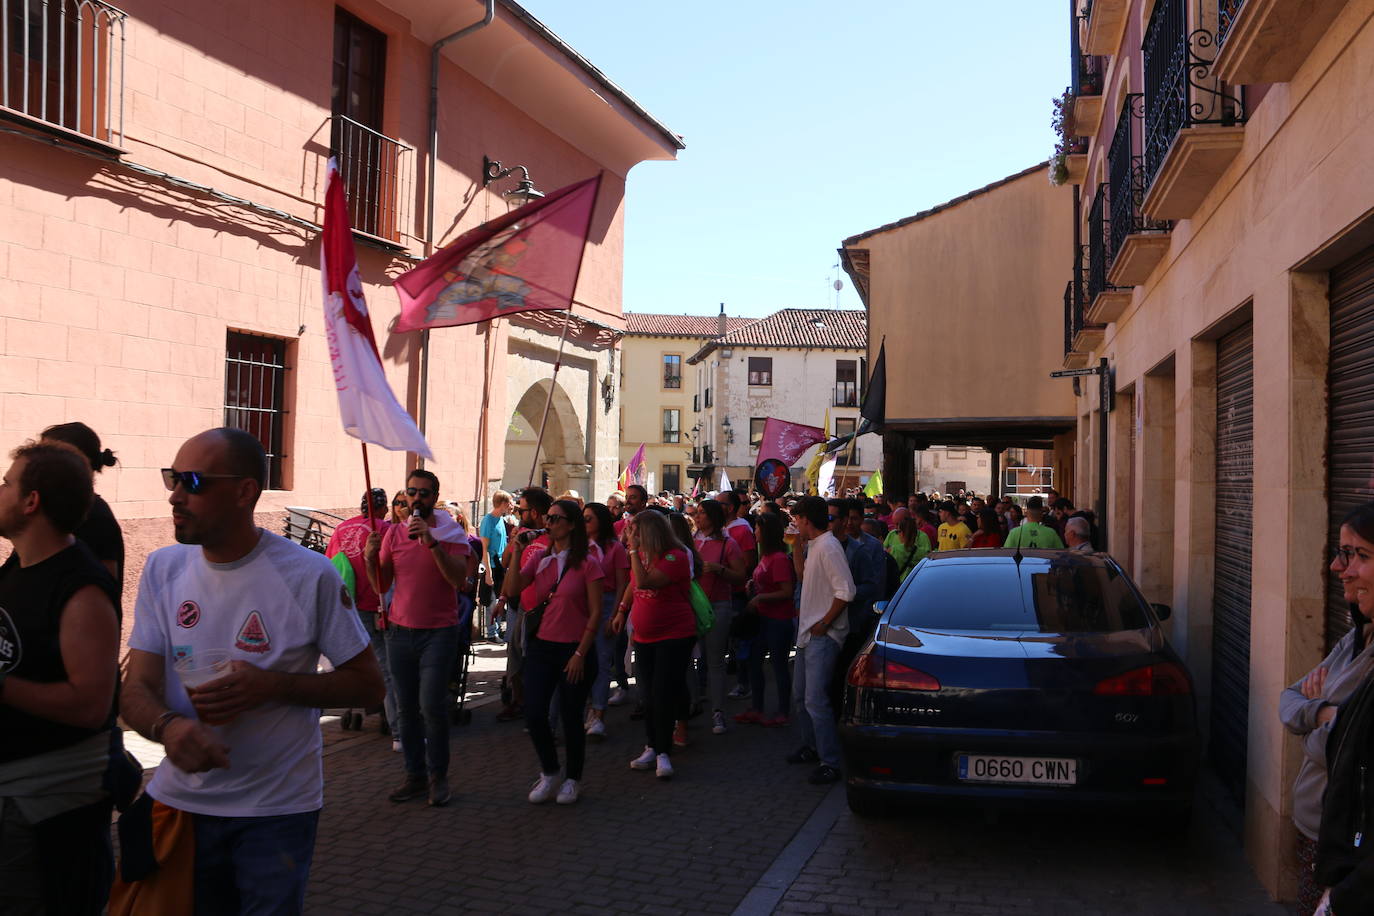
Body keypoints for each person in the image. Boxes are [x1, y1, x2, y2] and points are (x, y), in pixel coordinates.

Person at [117, 429, 382, 914]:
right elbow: (136, 688)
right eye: (171, 479)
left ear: (244, 492)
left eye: (192, 481)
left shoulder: (308, 575)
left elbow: (369, 685)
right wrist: (167, 727)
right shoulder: (163, 569)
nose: (175, 495)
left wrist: (270, 685)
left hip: (276, 813)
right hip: (181, 806)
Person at [0, 441, 121, 914]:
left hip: (45, 812)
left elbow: (90, 704)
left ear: (31, 501)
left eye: (8, 482)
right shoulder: (17, 568)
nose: (1, 488)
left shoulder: (81, 587)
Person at [1282, 504, 1374, 915]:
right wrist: (1326, 713)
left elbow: (1339, 751)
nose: (1341, 567)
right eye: (1343, 552)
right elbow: (1288, 700)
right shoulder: (1357, 638)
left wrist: (1324, 728)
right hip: (1318, 834)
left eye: (1360, 555)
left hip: (1350, 856)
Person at [364, 469, 470, 807]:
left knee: (431, 707)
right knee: (406, 709)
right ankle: (415, 776)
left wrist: (433, 543)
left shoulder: (452, 534)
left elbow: (458, 580)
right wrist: (369, 558)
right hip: (399, 631)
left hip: (439, 632)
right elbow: (381, 584)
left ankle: (440, 777)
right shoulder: (394, 533)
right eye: (412, 492)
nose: (416, 499)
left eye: (424, 493)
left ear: (434, 498)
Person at [509, 499, 603, 805]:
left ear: (571, 525)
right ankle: (550, 771)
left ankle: (573, 778)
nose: (549, 522)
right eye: (547, 517)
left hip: (575, 648)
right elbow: (512, 589)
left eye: (556, 518)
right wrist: (516, 552)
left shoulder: (588, 561)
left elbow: (596, 611)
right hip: (543, 645)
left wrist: (580, 653)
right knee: (535, 713)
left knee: (570, 715)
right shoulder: (541, 559)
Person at [611, 510, 695, 780]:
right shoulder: (643, 557)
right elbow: (634, 585)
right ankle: (652, 745)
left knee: (662, 693)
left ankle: (662, 751)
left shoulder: (676, 557)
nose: (630, 535)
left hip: (674, 635)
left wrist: (633, 552)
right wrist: (623, 610)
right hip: (645, 637)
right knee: (646, 694)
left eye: (635, 530)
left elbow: (646, 581)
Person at [785, 495, 855, 785]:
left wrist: (825, 624)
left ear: (805, 519)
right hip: (809, 635)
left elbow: (846, 591)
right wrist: (796, 548)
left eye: (795, 519)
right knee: (801, 697)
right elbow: (802, 576)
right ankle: (811, 747)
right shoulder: (814, 545)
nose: (793, 524)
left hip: (822, 637)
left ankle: (830, 761)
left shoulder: (828, 547)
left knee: (815, 700)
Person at [326, 488, 396, 736]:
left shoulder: (342, 528)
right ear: (382, 507)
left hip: (347, 604)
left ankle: (357, 708)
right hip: (373, 603)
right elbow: (392, 566)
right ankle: (393, 720)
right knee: (385, 664)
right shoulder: (384, 529)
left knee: (352, 660)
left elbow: (330, 560)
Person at [492, 488, 554, 722]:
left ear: (535, 512)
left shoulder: (552, 537)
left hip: (545, 611)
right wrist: (503, 598)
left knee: (536, 663)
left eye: (522, 509)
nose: (518, 512)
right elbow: (508, 564)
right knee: (515, 659)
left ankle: (540, 708)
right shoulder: (525, 535)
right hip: (522, 608)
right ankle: (519, 702)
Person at [40, 422, 124, 588]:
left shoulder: (95, 517)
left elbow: (103, 589)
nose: (36, 463)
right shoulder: (58, 508)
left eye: (46, 456)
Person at [735, 511, 796, 727]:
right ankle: (757, 708)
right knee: (754, 662)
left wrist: (761, 596)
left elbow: (786, 591)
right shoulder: (766, 556)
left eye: (758, 530)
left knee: (779, 666)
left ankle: (783, 711)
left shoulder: (778, 559)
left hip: (778, 620)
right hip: (763, 618)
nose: (754, 533)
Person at [692, 499, 747, 735]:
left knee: (715, 661)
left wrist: (718, 569)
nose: (697, 516)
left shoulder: (728, 543)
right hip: (692, 605)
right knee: (689, 659)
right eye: (697, 513)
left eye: (702, 513)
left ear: (713, 517)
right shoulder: (691, 541)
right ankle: (692, 703)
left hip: (718, 605)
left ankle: (718, 711)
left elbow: (740, 577)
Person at [584, 502, 630, 739]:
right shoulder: (579, 548)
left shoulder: (615, 548)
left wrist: (615, 613)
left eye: (589, 519)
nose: (584, 523)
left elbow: (623, 582)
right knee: (583, 661)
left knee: (602, 662)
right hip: (582, 606)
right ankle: (589, 708)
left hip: (606, 604)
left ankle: (599, 713)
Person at [478, 491, 512, 641]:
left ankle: (498, 630)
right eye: (509, 503)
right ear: (503, 504)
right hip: (491, 565)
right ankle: (492, 633)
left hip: (501, 566)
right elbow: (484, 548)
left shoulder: (501, 520)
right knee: (491, 601)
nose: (511, 506)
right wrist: (488, 573)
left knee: (499, 600)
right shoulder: (488, 520)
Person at [884, 509, 931, 583]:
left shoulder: (893, 550)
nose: (895, 527)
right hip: (917, 583)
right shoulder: (922, 552)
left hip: (899, 585)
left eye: (898, 524)